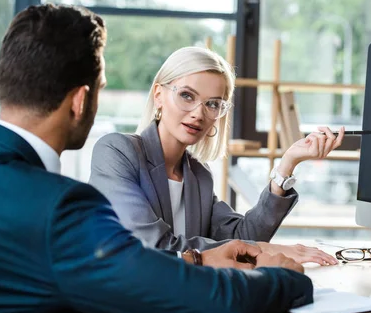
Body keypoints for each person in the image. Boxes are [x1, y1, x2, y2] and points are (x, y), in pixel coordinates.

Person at [0, 4, 313, 313]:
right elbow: (202, 302)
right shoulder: (58, 207)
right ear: (80, 101)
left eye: (212, 104)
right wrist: (285, 277)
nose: (199, 112)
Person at [90, 46, 343, 267]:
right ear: (159, 95)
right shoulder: (117, 151)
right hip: (132, 311)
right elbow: (152, 245)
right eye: (187, 96)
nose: (199, 114)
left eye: (213, 104)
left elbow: (245, 234)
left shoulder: (198, 175)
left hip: (187, 301)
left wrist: (287, 164)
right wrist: (268, 250)